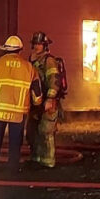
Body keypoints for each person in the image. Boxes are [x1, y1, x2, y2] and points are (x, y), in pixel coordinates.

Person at [0, 35, 42, 174]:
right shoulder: (29, 68)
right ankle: (13, 168)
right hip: (18, 112)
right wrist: (37, 105)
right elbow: (37, 93)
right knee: (15, 141)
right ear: (20, 51)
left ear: (5, 50)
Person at [27, 31, 65, 168]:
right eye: (35, 44)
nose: (37, 46)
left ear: (45, 45)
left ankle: (48, 161)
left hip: (48, 101)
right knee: (32, 131)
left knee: (46, 131)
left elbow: (55, 80)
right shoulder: (32, 60)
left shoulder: (49, 61)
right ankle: (36, 158)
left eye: (39, 44)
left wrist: (50, 98)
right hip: (35, 101)